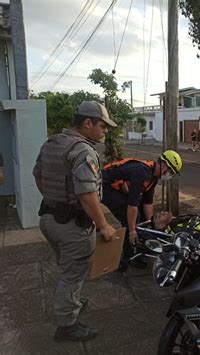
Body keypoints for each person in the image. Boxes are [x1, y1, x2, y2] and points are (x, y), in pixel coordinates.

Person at [33, 101, 118, 342]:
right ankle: (67, 325)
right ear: (87, 123)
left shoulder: (52, 143)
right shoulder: (83, 150)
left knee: (67, 266)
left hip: (48, 218)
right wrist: (103, 225)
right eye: (102, 125)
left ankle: (71, 299)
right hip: (72, 226)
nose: (105, 131)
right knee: (73, 274)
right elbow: (86, 194)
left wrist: (55, 200)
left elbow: (38, 176)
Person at [101, 150, 183, 270]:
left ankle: (139, 249)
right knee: (129, 219)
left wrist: (151, 225)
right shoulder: (142, 172)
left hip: (116, 188)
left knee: (142, 220)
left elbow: (147, 202)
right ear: (164, 165)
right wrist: (133, 231)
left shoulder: (153, 178)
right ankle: (126, 258)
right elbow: (132, 205)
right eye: (170, 171)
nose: (169, 175)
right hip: (104, 186)